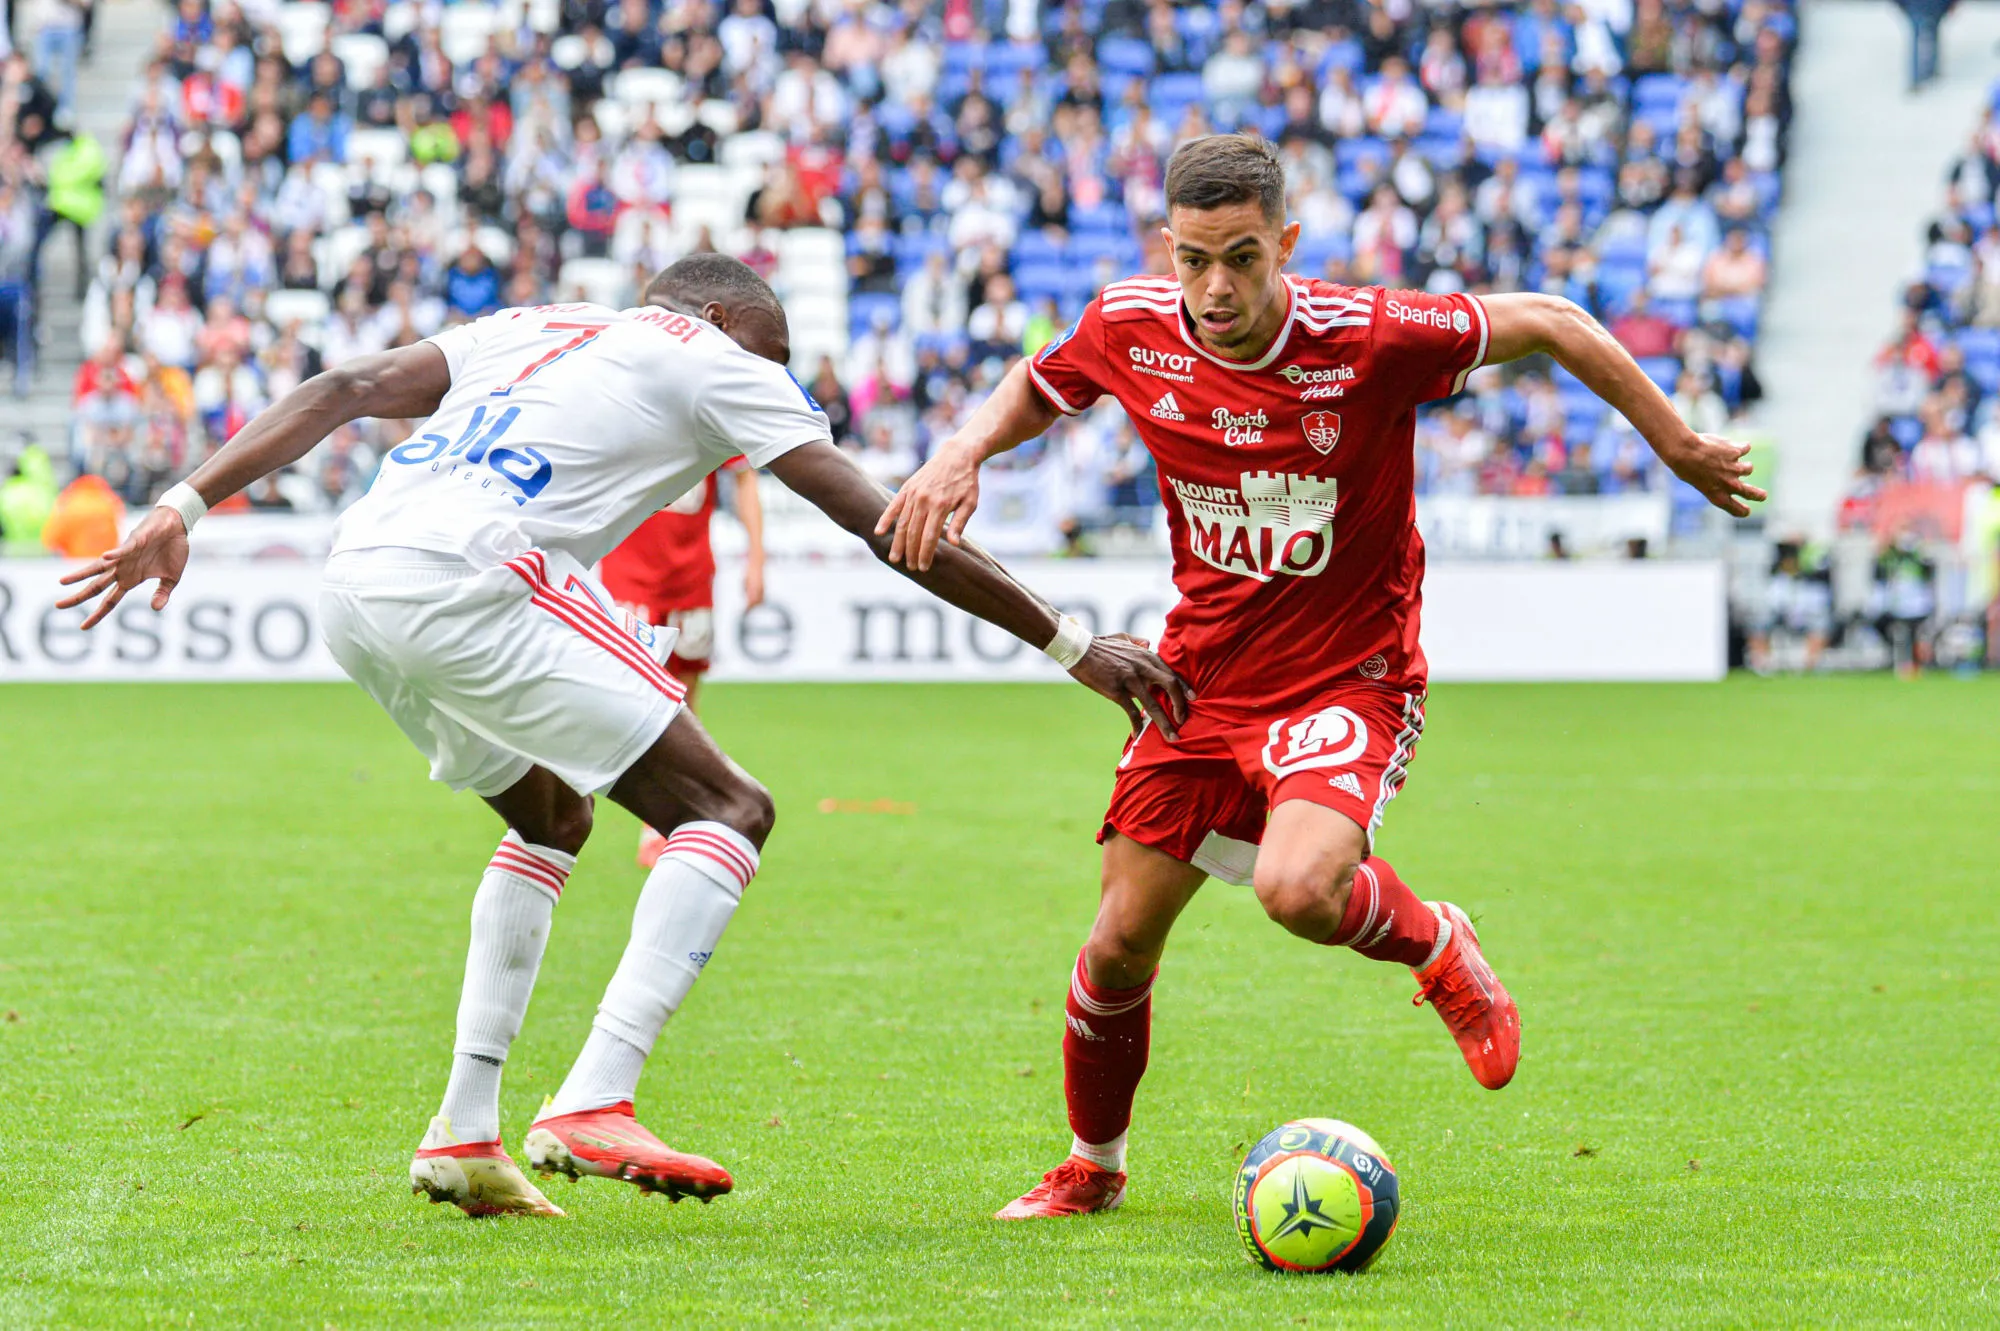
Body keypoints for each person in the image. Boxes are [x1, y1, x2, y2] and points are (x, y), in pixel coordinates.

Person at [59, 254, 1189, 1220]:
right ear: (723, 323)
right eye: (772, 348)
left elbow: (352, 383)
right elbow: (884, 522)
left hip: (355, 576)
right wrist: (1068, 642)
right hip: (472, 566)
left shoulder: (540, 323)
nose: (777, 374)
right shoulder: (713, 356)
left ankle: (463, 1131)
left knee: (552, 814)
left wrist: (182, 506)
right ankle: (595, 1095)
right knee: (729, 809)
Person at [881, 135, 1762, 1220]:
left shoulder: (1367, 336)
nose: (1214, 286)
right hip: (1197, 681)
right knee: (1112, 946)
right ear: (1168, 247)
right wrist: (961, 448)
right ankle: (1092, 1164)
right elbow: (1042, 379)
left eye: (1241, 257)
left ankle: (1436, 942)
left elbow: (1551, 320)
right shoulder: (1129, 323)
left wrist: (1671, 444)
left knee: (1296, 889)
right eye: (1194, 258)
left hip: (1349, 677)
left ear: (1284, 244)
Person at [599, 454, 767, 866]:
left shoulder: (704, 407)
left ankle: (662, 825)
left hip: (691, 576)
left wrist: (757, 558)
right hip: (628, 573)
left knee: (684, 704)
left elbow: (745, 477)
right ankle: (566, 807)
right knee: (622, 698)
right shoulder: (625, 405)